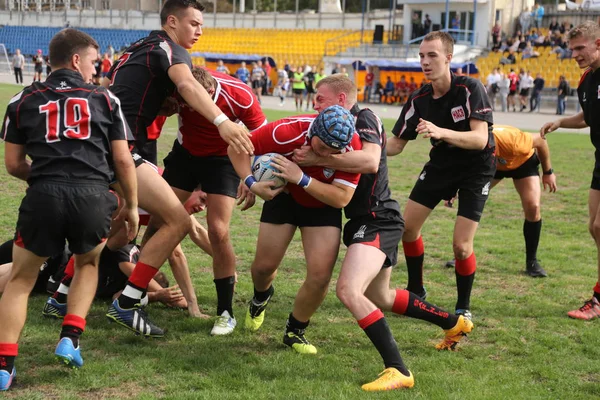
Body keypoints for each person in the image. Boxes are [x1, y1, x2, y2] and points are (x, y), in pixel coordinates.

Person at [291, 74, 474, 391]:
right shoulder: (331, 130)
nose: (314, 103)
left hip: (378, 218)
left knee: (349, 290)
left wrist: (319, 158)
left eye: (320, 98)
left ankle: (398, 369)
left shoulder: (364, 117)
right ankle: (454, 323)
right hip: (367, 219)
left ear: (341, 100)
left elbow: (371, 161)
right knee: (381, 296)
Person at [103, 0, 253, 337]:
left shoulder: (136, 48)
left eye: (202, 25)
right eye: (194, 23)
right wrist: (222, 121)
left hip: (109, 143)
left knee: (118, 225)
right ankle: (126, 304)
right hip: (123, 148)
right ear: (172, 21)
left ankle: (62, 294)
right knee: (178, 222)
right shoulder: (169, 50)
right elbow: (186, 85)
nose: (199, 31)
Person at [0, 28, 138, 390]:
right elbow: (122, 160)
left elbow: (13, 164)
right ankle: (70, 338)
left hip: (43, 195)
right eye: (94, 62)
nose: (96, 69)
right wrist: (133, 205)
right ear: (76, 60)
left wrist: (46, 174)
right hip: (93, 196)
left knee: (20, 280)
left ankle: (4, 365)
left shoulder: (21, 100)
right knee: (88, 263)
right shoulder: (106, 99)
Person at [230, 106, 362, 354]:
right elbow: (235, 147)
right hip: (284, 196)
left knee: (320, 275)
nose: (324, 153)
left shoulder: (351, 145)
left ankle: (295, 330)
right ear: (314, 130)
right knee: (262, 268)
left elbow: (342, 198)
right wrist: (250, 182)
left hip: (323, 202)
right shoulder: (285, 131)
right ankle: (261, 296)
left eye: (333, 152)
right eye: (321, 147)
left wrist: (301, 177)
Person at [387, 31, 496, 321]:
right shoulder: (419, 98)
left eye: (432, 55)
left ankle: (463, 306)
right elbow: (395, 145)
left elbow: (480, 139)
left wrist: (440, 131)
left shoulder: (469, 88)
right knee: (407, 229)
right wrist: (361, 143)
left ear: (449, 58)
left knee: (461, 247)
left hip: (477, 168)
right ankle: (416, 289)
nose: (425, 61)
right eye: (421, 56)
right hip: (441, 166)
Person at [161, 67, 266, 335]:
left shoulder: (239, 94)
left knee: (219, 231)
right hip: (185, 154)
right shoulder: (178, 86)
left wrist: (250, 176)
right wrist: (168, 106)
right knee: (160, 222)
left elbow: (263, 136)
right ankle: (134, 294)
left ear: (209, 92)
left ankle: (225, 312)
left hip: (222, 158)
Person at [540, 21, 600, 320]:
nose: (575, 54)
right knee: (594, 228)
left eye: (581, 48)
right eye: (572, 48)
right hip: (599, 161)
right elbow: (589, 117)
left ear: (598, 43)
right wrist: (561, 122)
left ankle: (599, 300)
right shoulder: (586, 80)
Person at [446, 125, 556, 277]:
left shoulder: (514, 142)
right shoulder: (472, 145)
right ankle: (462, 254)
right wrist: (454, 190)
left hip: (522, 162)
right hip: (493, 164)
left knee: (533, 206)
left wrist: (548, 172)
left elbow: (541, 141)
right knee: (471, 200)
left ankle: (532, 262)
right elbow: (464, 169)